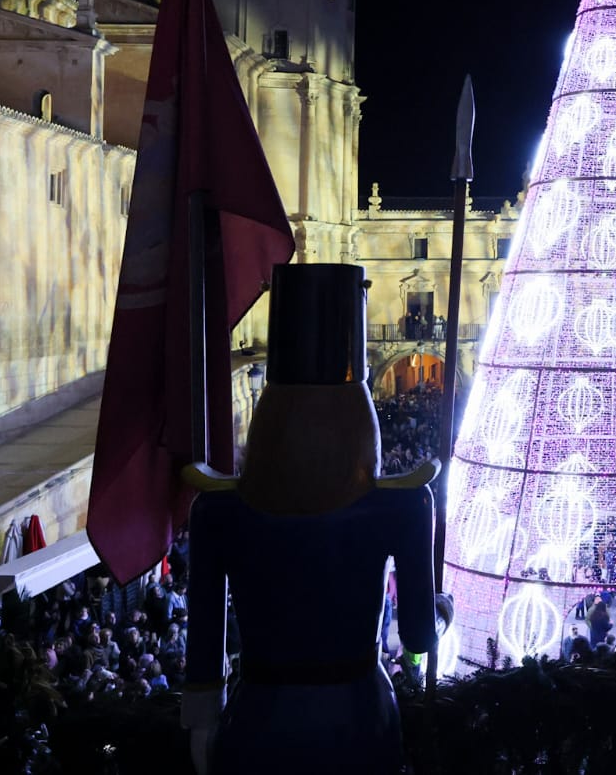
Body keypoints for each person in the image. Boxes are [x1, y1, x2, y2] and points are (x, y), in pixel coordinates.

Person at [182, 264, 452, 775]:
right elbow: (418, 637)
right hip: (359, 722)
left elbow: (204, 648)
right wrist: (442, 612)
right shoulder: (403, 507)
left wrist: (201, 721)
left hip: (256, 721)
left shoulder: (217, 512)